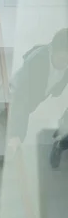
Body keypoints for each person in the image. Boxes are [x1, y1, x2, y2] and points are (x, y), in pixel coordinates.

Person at [5, 28, 68, 167]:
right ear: (52, 49)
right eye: (62, 59)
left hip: (36, 96)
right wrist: (17, 135)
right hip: (18, 93)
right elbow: (22, 99)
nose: (65, 64)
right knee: (18, 114)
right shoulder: (36, 62)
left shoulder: (64, 64)